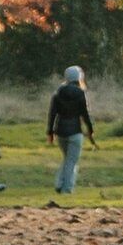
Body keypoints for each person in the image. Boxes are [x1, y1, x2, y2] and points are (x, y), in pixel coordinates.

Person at [47, 67, 94, 196]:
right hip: (75, 132)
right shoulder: (80, 93)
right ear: (79, 78)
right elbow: (85, 114)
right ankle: (66, 189)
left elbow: (52, 114)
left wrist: (50, 132)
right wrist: (90, 130)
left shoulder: (58, 93)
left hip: (60, 132)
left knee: (68, 158)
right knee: (72, 161)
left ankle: (59, 183)